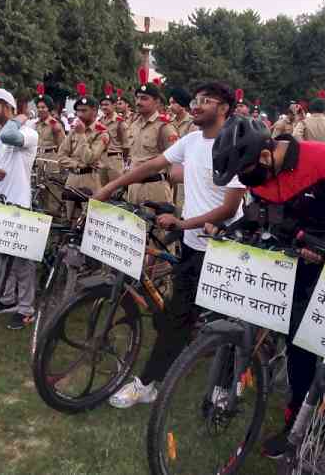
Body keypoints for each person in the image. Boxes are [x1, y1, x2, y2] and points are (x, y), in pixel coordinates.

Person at [210, 116, 325, 458]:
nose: (246, 181)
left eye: (246, 173)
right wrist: (232, 231)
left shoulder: (324, 160)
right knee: (290, 332)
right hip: (294, 254)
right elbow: (259, 208)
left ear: (264, 156)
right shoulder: (259, 170)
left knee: (306, 342)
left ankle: (310, 423)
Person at [94, 82, 246, 408]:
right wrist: (111, 187)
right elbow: (152, 166)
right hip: (194, 244)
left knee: (227, 321)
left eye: (206, 101)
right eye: (196, 99)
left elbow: (230, 209)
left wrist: (183, 223)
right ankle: (148, 384)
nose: (197, 105)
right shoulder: (191, 141)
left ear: (224, 108)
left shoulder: (234, 144)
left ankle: (225, 385)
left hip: (226, 247)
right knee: (178, 317)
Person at [0, 87, 40, 330]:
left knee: (22, 261)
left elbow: (10, 137)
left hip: (19, 204)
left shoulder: (28, 133)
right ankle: (7, 299)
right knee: (0, 254)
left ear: (8, 108)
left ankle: (26, 308)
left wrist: (20, 118)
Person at [57, 90, 109, 223]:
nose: (79, 114)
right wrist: (77, 164)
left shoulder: (101, 133)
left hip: (90, 180)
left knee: (89, 221)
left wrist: (81, 135)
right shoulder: (74, 130)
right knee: (70, 219)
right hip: (72, 178)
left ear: (94, 111)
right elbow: (61, 156)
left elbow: (90, 159)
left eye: (84, 110)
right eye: (78, 111)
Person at [126, 80, 177, 207]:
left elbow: (174, 161)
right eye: (137, 98)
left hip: (154, 188)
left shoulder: (164, 127)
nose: (138, 102)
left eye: (144, 98)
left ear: (157, 102)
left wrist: (166, 185)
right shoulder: (134, 124)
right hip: (133, 187)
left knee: (154, 226)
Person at [33, 89, 66, 216]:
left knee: (52, 192)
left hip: (51, 160)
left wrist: (62, 165)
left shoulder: (55, 125)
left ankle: (54, 220)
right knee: (40, 191)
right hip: (39, 159)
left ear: (49, 109)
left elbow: (62, 146)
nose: (40, 109)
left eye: (43, 107)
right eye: (38, 107)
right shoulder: (36, 124)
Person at [98, 88, 129, 186]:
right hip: (101, 159)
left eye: (107, 104)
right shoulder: (99, 122)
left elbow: (126, 146)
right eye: (102, 105)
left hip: (115, 159)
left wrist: (123, 161)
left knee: (116, 191)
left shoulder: (120, 122)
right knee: (101, 191)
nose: (104, 107)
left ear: (114, 105)